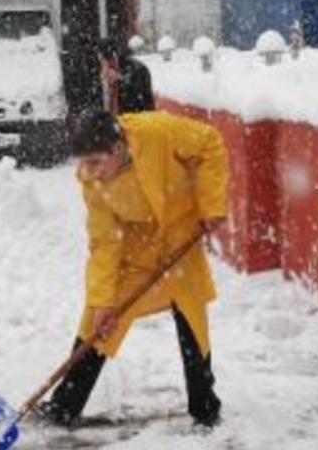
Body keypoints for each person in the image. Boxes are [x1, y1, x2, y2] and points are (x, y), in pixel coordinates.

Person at [40, 109, 228, 428]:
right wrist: (102, 301)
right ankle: (64, 406)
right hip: (137, 255)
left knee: (192, 325)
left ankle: (205, 407)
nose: (90, 171)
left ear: (118, 147)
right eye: (84, 163)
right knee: (96, 325)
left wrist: (211, 204)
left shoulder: (158, 132)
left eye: (96, 161)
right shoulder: (92, 182)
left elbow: (210, 142)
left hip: (180, 241)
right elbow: (104, 244)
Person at [97, 37, 155, 113]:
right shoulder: (102, 71)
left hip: (137, 119)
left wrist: (120, 80)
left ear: (114, 56)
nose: (103, 64)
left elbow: (139, 99)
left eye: (104, 60)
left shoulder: (136, 69)